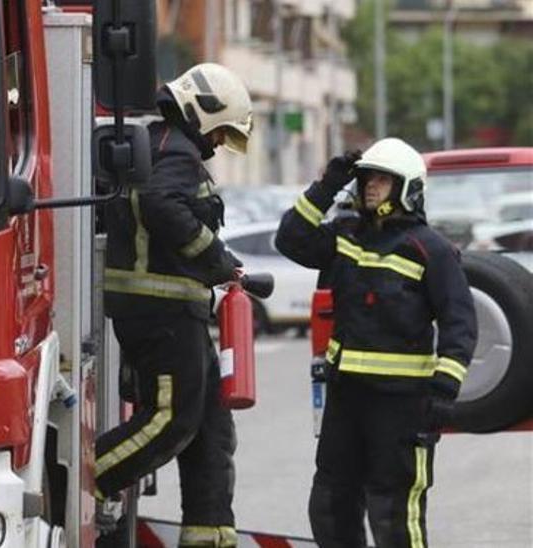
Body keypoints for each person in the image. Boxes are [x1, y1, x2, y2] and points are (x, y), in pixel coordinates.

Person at [275, 138, 477, 547]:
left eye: (381, 179)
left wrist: (443, 392)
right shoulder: (346, 234)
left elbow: (460, 324)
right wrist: (327, 185)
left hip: (402, 406)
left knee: (393, 515)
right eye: (366, 178)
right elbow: (291, 239)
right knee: (330, 506)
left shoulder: (431, 250)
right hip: (346, 399)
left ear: (406, 188)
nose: (370, 187)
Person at [95, 63, 252, 547]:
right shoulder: (176, 153)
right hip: (159, 311)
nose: (221, 142)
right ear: (203, 112)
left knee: (210, 428)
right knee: (171, 419)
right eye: (222, 131)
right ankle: (85, 482)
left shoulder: (165, 145)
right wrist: (219, 259)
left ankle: (209, 536)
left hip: (176, 309)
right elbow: (162, 206)